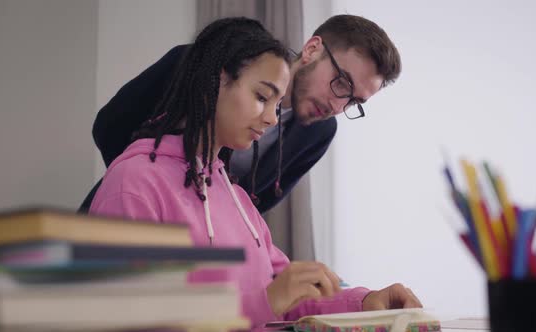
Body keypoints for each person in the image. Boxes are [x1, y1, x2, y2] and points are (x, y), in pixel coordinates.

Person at [89, 17, 420, 328]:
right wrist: (162, 179)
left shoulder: (239, 200)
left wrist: (362, 302)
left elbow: (281, 290)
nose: (272, 118)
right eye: (262, 97)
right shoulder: (136, 181)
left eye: (353, 102)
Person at [79, 14, 401, 213]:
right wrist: (145, 195)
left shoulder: (319, 132)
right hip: (118, 226)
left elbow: (253, 207)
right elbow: (109, 127)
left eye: (354, 102)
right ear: (313, 49)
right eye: (341, 83)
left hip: (202, 260)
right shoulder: (198, 66)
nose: (337, 106)